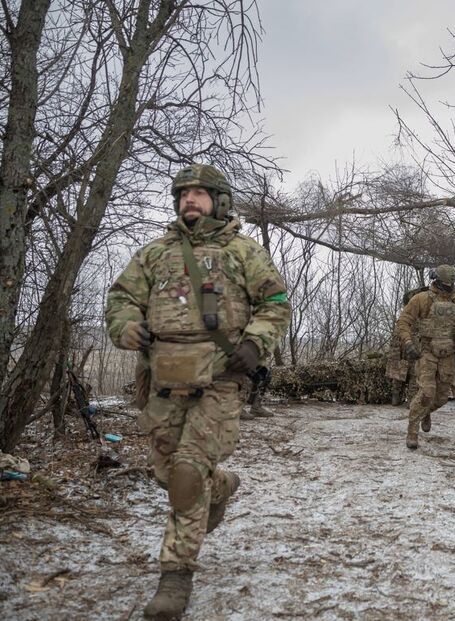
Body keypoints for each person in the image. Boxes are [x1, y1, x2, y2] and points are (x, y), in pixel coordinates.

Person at [105, 164, 291, 618]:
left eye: (199, 193)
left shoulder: (243, 251)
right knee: (168, 474)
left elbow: (276, 303)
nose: (190, 199)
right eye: (183, 193)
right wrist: (127, 327)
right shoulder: (154, 254)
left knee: (187, 476)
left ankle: (175, 577)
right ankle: (222, 488)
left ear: (219, 200)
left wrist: (254, 343)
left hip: (221, 379)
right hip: (165, 381)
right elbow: (120, 299)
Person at [395, 265, 455, 450]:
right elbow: (404, 321)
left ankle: (425, 413)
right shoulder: (422, 299)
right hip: (427, 352)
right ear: (437, 281)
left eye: (451, 283)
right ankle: (412, 430)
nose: (448, 286)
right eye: (445, 282)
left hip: (448, 354)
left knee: (441, 398)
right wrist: (408, 343)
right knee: (427, 392)